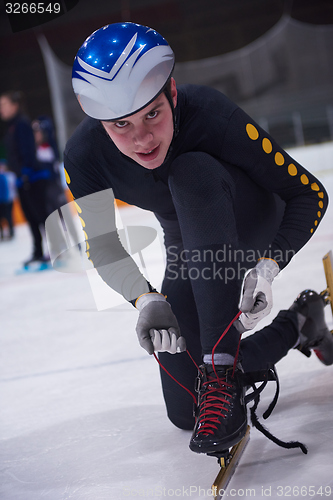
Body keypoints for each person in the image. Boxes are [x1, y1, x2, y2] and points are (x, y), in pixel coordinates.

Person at [63, 23, 331, 454]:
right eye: (120, 125)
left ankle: (220, 373)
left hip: (251, 220)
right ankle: (299, 324)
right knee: (186, 411)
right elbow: (103, 242)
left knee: (190, 173)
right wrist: (146, 300)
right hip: (189, 244)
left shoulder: (209, 112)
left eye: (153, 113)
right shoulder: (83, 156)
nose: (142, 138)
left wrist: (268, 265)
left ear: (171, 90)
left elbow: (309, 193)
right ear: (96, 119)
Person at [0, 91, 50, 265]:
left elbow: (28, 150)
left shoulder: (21, 124)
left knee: (41, 215)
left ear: (14, 105)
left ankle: (56, 248)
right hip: (22, 179)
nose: (2, 109)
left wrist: (26, 172)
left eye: (4, 105)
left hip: (31, 179)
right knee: (30, 216)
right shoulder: (12, 127)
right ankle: (37, 251)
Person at [0, 160, 16, 239]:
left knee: (9, 216)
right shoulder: (3, 176)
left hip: (7, 200)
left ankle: (11, 232)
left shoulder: (8, 175)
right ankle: (2, 233)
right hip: (3, 200)